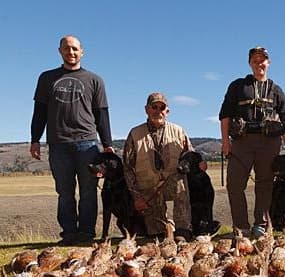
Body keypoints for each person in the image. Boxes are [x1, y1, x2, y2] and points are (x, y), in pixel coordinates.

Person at [30, 35, 113, 245]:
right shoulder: (47, 78)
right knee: (65, 192)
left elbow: (101, 114)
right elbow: (39, 112)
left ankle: (86, 234)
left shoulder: (94, 80)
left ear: (82, 52)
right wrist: (34, 139)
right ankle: (68, 234)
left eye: (75, 49)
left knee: (88, 191)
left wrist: (108, 143)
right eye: (67, 49)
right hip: (58, 143)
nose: (71, 52)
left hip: (87, 143)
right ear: (60, 51)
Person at [219, 46, 285, 238]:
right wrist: (225, 142)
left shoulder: (276, 91)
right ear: (249, 63)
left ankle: (260, 224)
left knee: (265, 184)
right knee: (234, 184)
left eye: (263, 60)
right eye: (255, 60)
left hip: (269, 143)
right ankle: (241, 226)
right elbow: (225, 115)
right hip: (241, 143)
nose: (259, 63)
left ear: (268, 63)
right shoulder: (237, 86)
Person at [122, 92, 193, 241]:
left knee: (180, 181)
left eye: (162, 107)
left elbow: (190, 156)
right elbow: (127, 167)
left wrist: (199, 163)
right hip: (148, 189)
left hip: (171, 182)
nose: (158, 111)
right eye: (154, 107)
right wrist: (137, 197)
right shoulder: (135, 134)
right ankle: (165, 228)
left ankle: (182, 229)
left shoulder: (179, 131)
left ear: (167, 111)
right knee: (156, 235)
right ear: (147, 109)